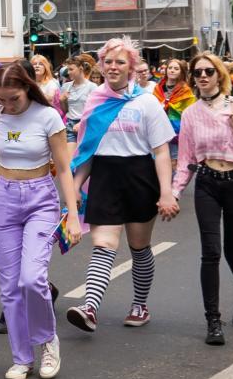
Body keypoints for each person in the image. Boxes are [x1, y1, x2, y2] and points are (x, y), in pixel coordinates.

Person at [0, 61, 81, 379]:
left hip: (40, 198)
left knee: (32, 278)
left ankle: (46, 342)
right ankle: (21, 357)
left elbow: (64, 166)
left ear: (28, 88)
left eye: (13, 98)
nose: (7, 105)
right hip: (4, 198)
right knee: (10, 284)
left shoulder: (47, 116)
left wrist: (72, 215)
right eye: (1, 99)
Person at [63, 37, 178, 333]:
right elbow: (88, 149)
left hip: (139, 176)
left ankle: (140, 304)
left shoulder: (146, 102)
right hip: (104, 177)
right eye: (109, 62)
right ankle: (89, 307)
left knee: (139, 247)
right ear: (101, 65)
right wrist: (75, 186)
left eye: (120, 62)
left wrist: (167, 191)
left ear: (132, 68)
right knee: (103, 246)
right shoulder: (95, 100)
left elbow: (162, 150)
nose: (113, 67)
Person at [170, 53, 233, 345]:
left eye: (209, 71)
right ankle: (213, 321)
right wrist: (175, 192)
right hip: (207, 183)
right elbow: (186, 157)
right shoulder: (190, 114)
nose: (203, 76)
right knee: (210, 252)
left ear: (219, 75)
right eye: (198, 72)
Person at [60, 54, 95, 134]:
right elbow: (65, 111)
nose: (68, 72)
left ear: (80, 69)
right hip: (70, 124)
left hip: (87, 123)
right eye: (68, 69)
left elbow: (94, 111)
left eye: (71, 69)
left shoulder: (92, 87)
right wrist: (62, 101)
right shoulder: (66, 86)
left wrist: (81, 123)